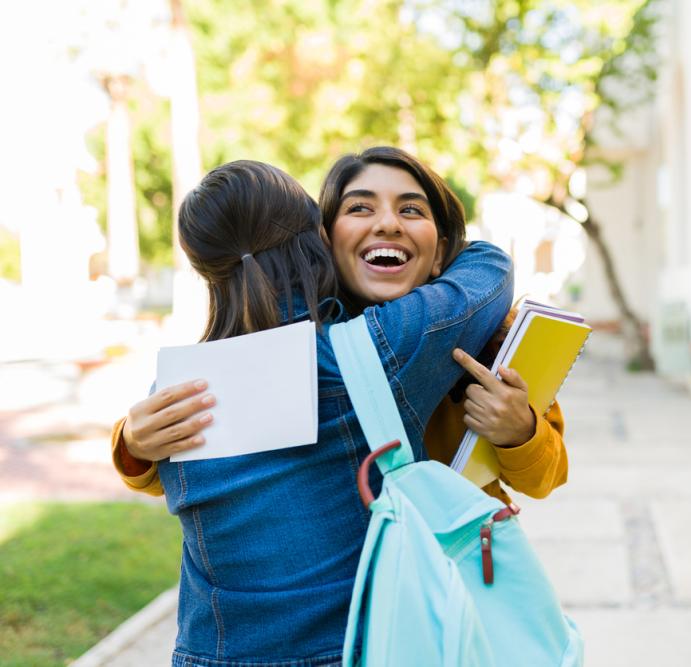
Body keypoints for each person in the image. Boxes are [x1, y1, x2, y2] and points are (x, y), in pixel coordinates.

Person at [120, 157, 514, 666]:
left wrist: (129, 442)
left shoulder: (173, 389)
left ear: (203, 266)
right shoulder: (377, 347)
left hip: (212, 654)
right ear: (317, 239)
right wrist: (436, 245)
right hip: (353, 649)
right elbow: (491, 267)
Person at [115, 147, 568, 508]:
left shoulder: (493, 341)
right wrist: (134, 443)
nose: (388, 223)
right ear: (325, 241)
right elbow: (202, 456)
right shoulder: (301, 344)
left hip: (455, 583)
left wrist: (520, 431)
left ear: (439, 253)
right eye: (360, 208)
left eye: (412, 210)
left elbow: (547, 477)